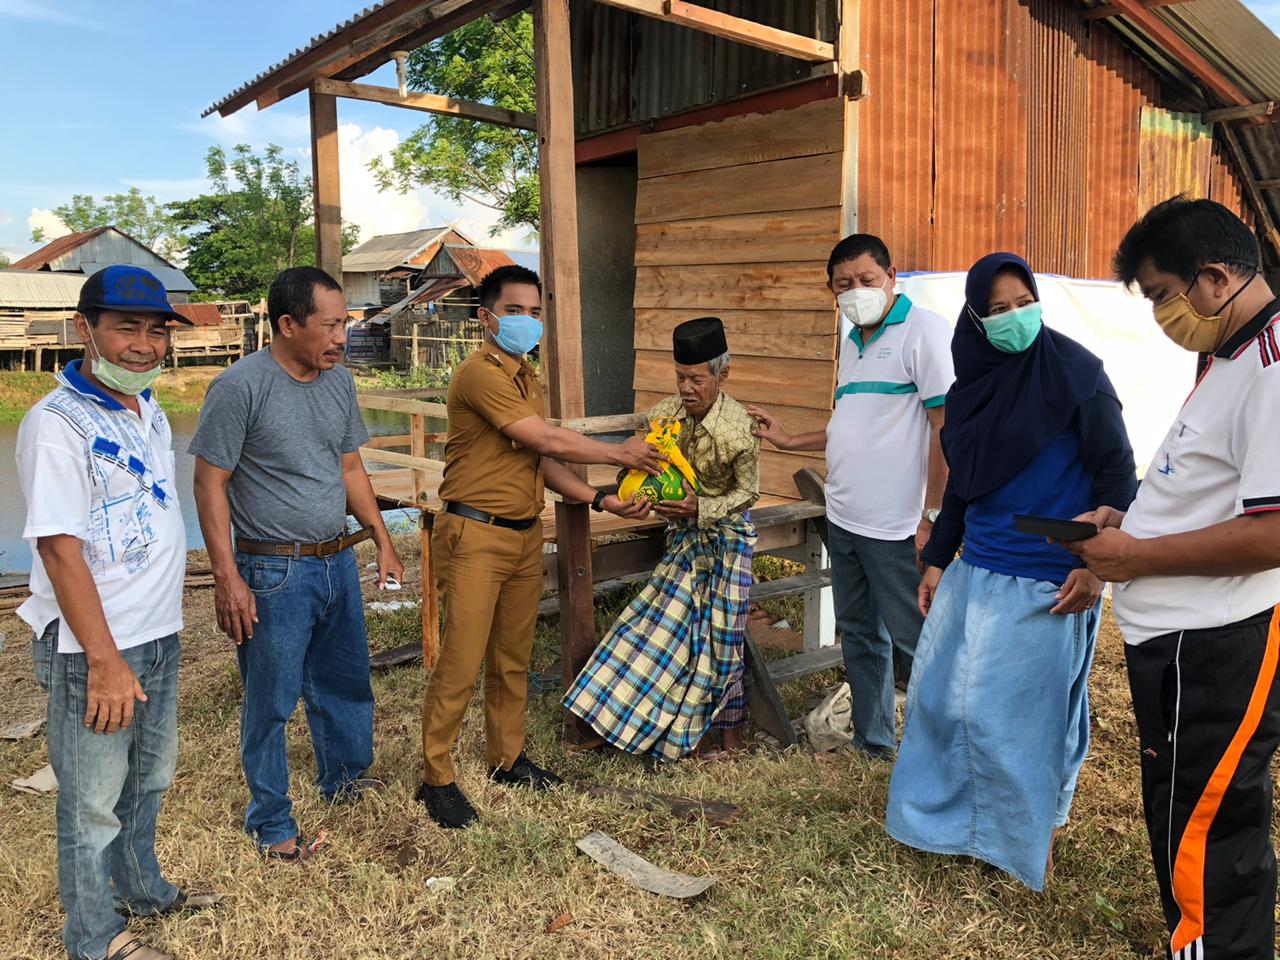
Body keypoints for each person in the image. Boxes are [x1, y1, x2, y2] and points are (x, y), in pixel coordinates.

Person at [885, 252, 1137, 892]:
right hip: (978, 573)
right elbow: (965, 488)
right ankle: (952, 828)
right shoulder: (972, 392)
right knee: (944, 705)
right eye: (997, 309)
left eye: (1023, 301)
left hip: (1047, 577)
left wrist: (1096, 568)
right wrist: (938, 560)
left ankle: (1027, 838)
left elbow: (1116, 474)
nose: (1013, 317)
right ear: (975, 319)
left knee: (1024, 722)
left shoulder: (1076, 374)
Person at [1071, 198, 1280, 959]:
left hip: (1218, 643)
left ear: (1216, 277)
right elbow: (1208, 487)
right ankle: (1192, 940)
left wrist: (1137, 558)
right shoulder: (1226, 356)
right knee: (1178, 807)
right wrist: (1125, 523)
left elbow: (1274, 533)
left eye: (1162, 294)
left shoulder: (1272, 368)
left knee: (1208, 824)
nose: (1162, 314)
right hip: (1179, 640)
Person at [417, 264, 664, 829]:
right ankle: (437, 777)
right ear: (486, 317)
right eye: (514, 311)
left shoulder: (526, 377)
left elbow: (543, 460)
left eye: (534, 312)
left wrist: (599, 500)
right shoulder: (479, 375)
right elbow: (544, 437)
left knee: (513, 659)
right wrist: (618, 454)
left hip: (525, 535)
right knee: (460, 661)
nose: (527, 321)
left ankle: (506, 759)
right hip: (475, 535)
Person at [17, 266, 217, 960]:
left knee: (149, 776)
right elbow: (60, 549)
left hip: (156, 631)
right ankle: (95, 937)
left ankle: (143, 889)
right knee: (92, 801)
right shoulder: (56, 424)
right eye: (126, 328)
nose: (143, 345)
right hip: (93, 647)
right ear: (86, 329)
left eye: (156, 330)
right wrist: (102, 659)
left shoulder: (148, 406)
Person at [190, 266, 403, 861]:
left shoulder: (340, 383)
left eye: (346, 324)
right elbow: (210, 485)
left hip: (335, 560)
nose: (342, 338)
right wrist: (227, 578)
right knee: (272, 699)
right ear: (287, 324)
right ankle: (271, 818)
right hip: (272, 571)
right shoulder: (240, 387)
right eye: (330, 325)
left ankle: (347, 781)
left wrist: (380, 537)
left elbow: (350, 468)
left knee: (345, 682)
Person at [750, 234, 953, 756]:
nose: (856, 290)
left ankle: (947, 754)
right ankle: (874, 742)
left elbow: (945, 428)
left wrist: (932, 516)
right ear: (831, 292)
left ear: (892, 277)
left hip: (897, 526)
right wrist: (790, 439)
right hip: (844, 517)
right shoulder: (852, 340)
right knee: (861, 636)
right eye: (844, 284)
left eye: (867, 280)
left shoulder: (923, 331)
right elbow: (850, 422)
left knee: (919, 643)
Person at [564, 317, 759, 761]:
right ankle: (666, 734)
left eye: (696, 378)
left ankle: (729, 737)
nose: (686, 388)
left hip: (728, 538)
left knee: (723, 643)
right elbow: (636, 471)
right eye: (679, 377)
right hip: (682, 539)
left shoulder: (739, 428)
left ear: (722, 375)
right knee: (659, 631)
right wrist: (631, 491)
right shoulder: (663, 416)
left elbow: (748, 492)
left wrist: (701, 508)